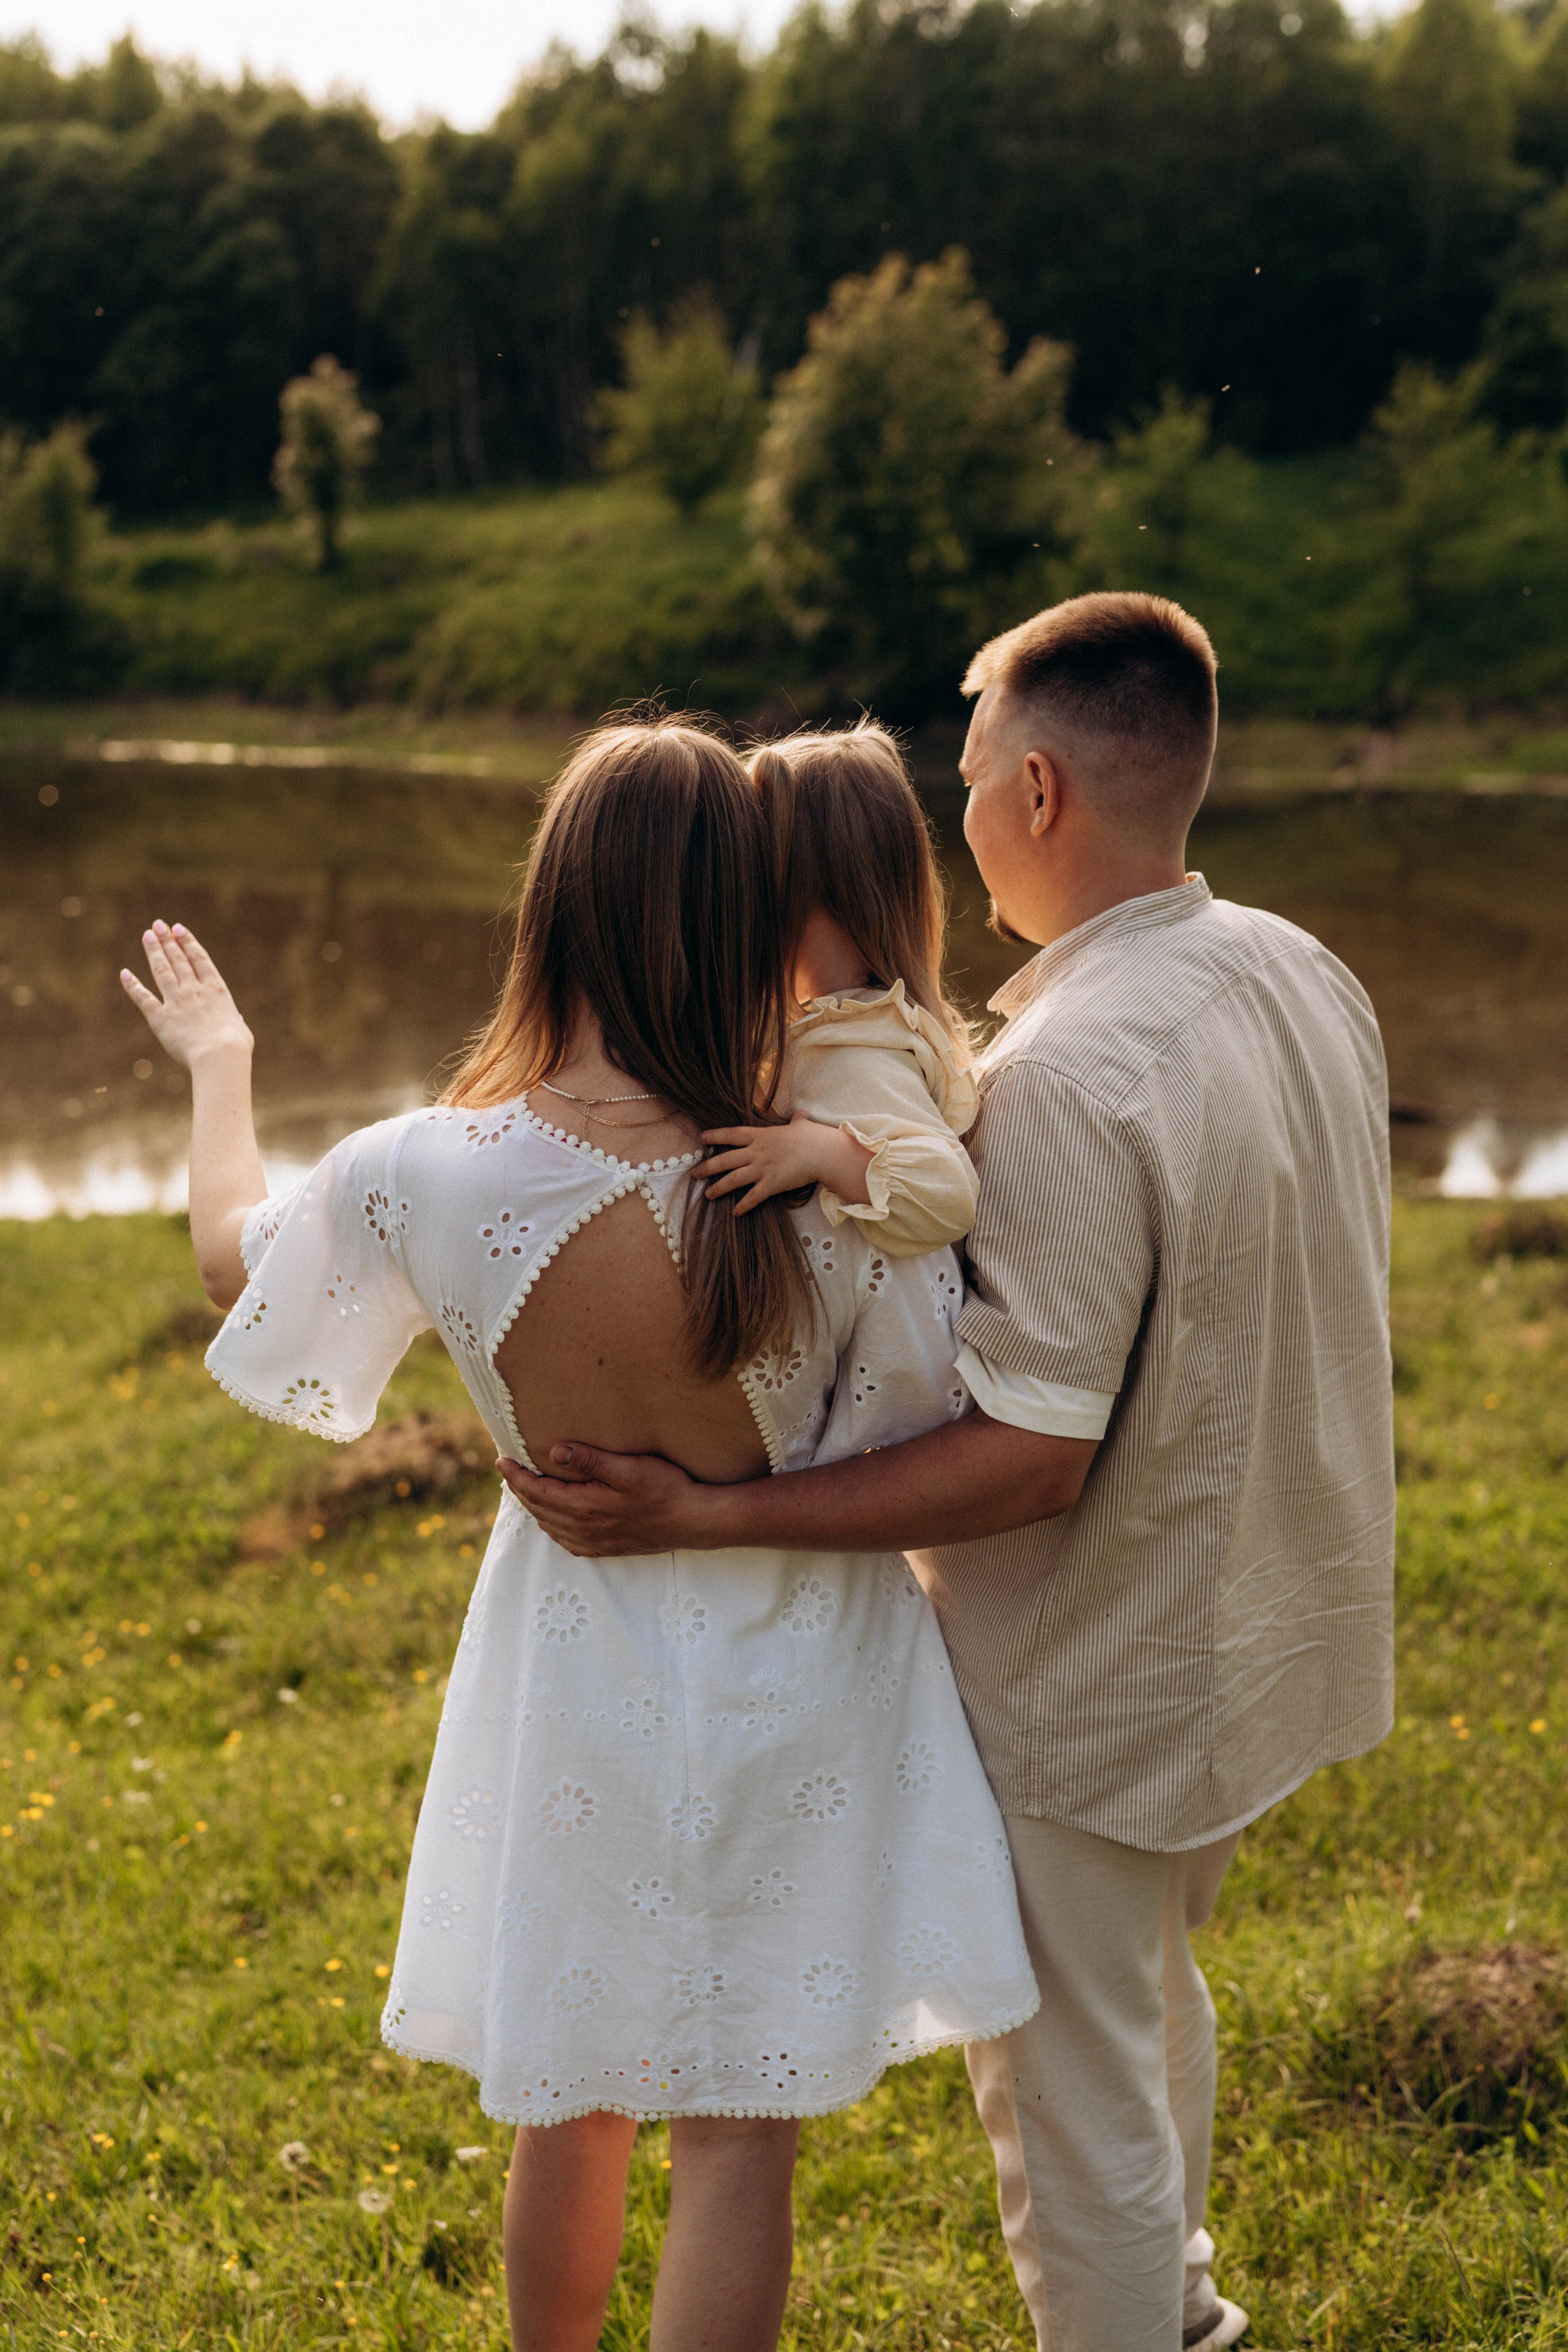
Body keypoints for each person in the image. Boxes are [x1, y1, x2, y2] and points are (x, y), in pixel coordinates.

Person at [503, 598, 1398, 2352]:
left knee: (1070, 2113)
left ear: (1042, 793)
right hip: (1264, 1628)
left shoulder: (1065, 1075)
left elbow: (1027, 1462)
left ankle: (1143, 2326)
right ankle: (1197, 2316)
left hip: (1101, 1673)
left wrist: (713, 1513)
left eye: (974, 773)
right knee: (1143, 2000)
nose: (956, 809)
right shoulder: (1303, 969)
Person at [120, 717, 1039, 2352]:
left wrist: (220, 1059)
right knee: (741, 2129)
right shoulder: (828, 1178)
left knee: (576, 2090)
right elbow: (913, 1426)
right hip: (806, 1672)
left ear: (551, 911)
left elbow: (226, 1265)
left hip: (574, 1681)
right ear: (749, 922)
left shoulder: (429, 1168)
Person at [701, 721, 980, 1252]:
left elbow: (950, 1193)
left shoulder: (855, 1047)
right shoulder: (840, 1024)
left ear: (775, 891)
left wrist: (816, 1152)